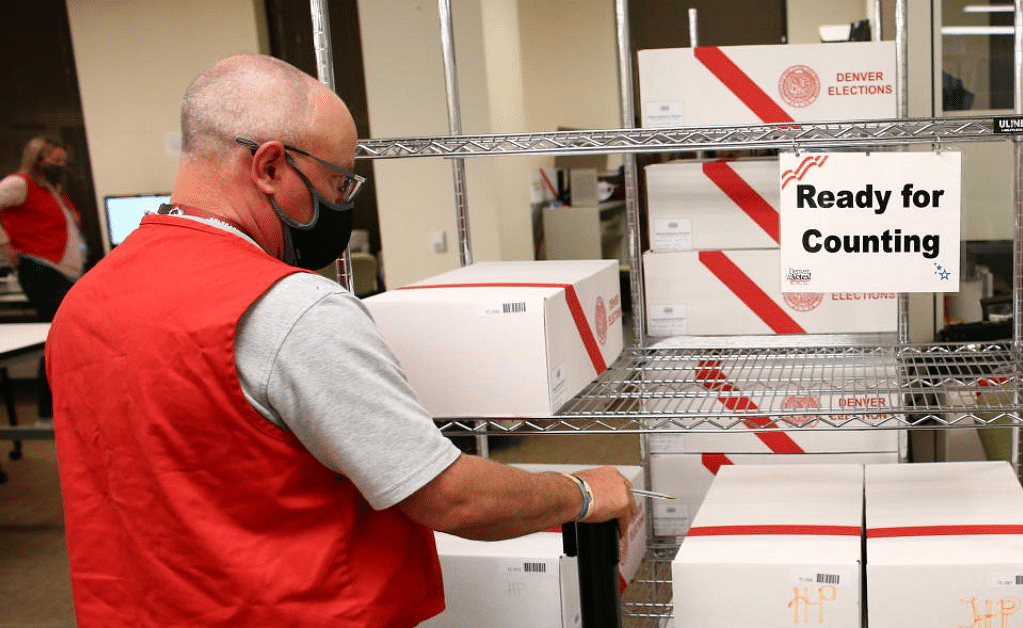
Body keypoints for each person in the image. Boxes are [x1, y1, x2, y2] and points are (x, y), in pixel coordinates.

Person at [46, 54, 637, 627]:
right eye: (336, 182)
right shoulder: (290, 308)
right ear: (270, 167)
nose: (341, 205)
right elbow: (452, 499)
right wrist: (581, 492)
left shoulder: (85, 302)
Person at [0, 135, 87, 421]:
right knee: (56, 341)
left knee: (65, 341)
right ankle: (48, 413)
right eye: (55, 161)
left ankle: (61, 408)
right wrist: (5, 246)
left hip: (61, 273)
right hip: (40, 269)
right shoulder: (19, 184)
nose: (60, 166)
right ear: (38, 159)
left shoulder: (52, 190)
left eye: (63, 161)